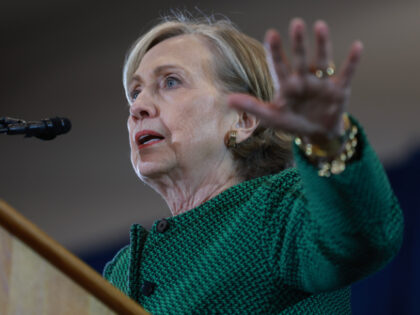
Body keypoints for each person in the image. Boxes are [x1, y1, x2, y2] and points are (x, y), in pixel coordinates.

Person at [103, 14, 403, 314]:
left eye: (170, 82)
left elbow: (363, 238)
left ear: (243, 119)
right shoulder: (120, 272)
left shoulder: (277, 209)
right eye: (135, 92)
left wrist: (327, 138)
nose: (138, 107)